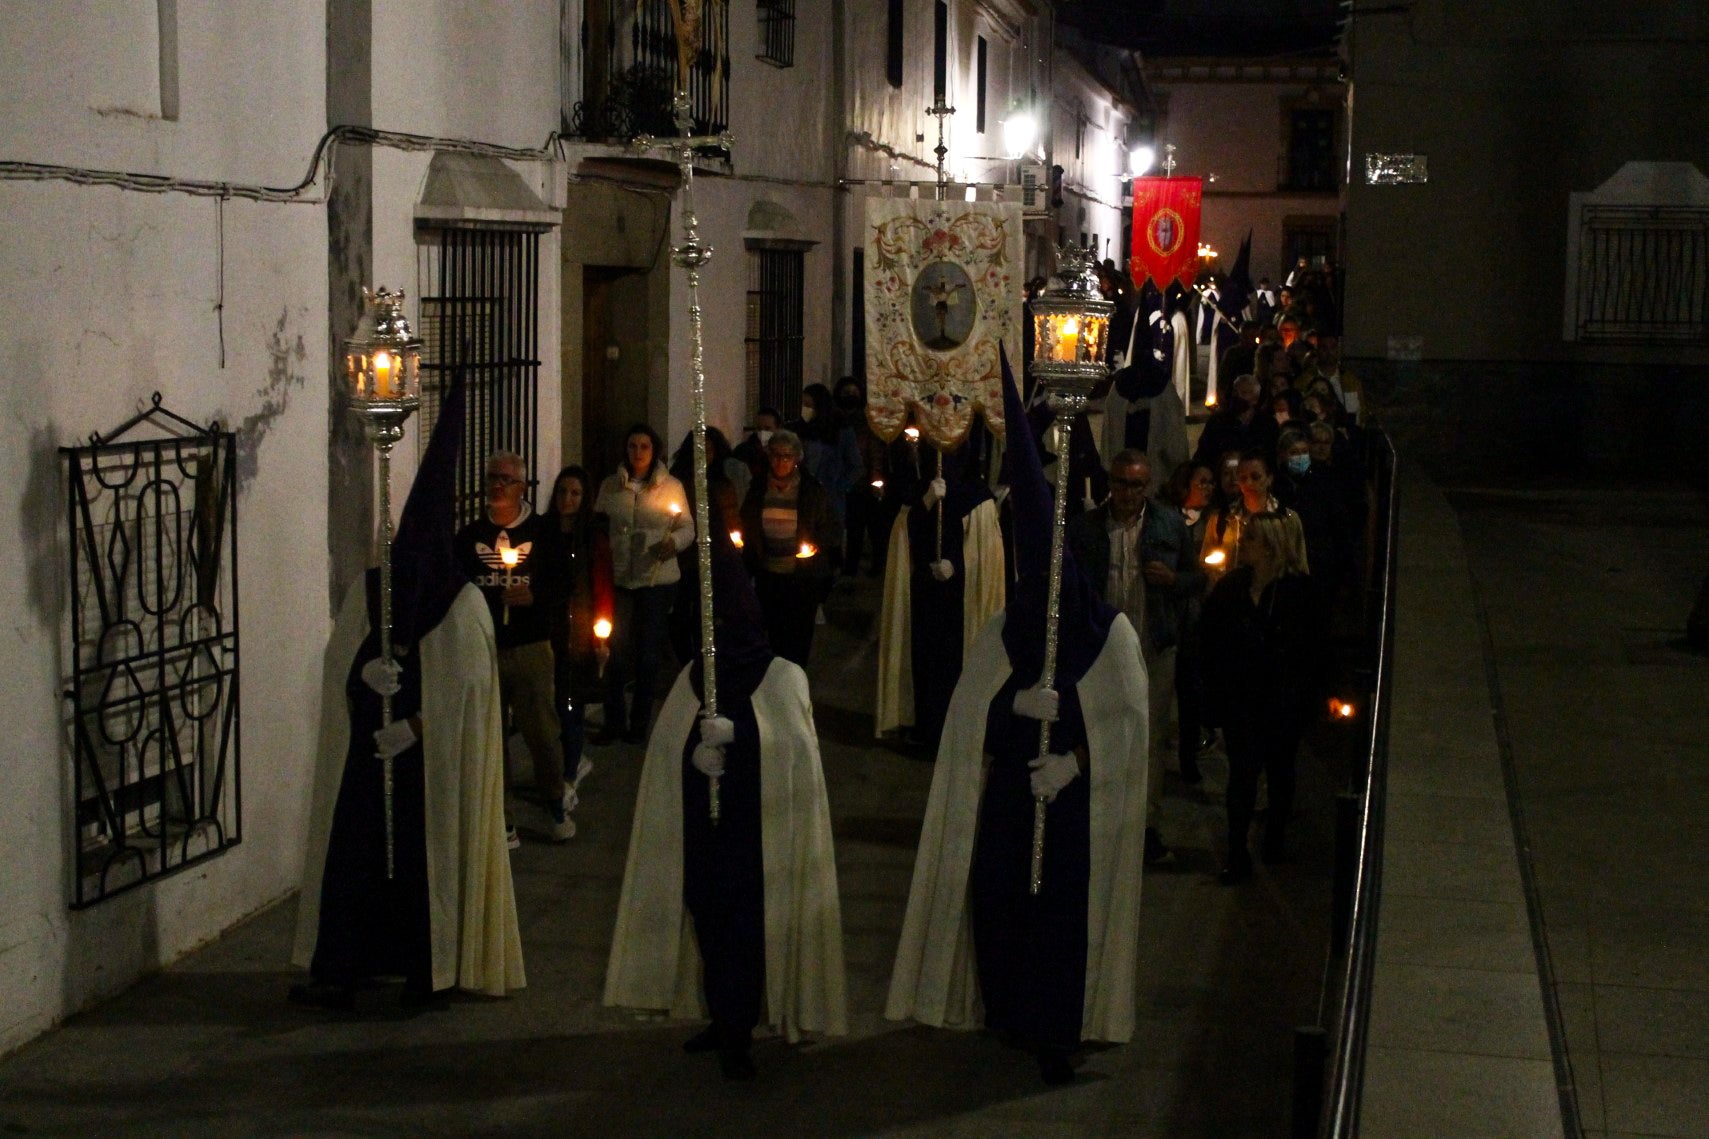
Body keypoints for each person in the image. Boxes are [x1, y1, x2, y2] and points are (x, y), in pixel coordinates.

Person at [887, 348, 1147, 1085]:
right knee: (1002, 905)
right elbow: (971, 722)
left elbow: (1127, 730)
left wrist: (1074, 760)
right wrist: (1010, 708)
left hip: (1072, 813)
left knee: (1062, 924)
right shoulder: (1005, 631)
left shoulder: (1108, 637)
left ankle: (1056, 1031)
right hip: (1008, 801)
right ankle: (1008, 1011)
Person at [292, 376, 525, 1008]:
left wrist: (418, 724)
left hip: (431, 774)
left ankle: (431, 970)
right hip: (370, 764)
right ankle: (346, 961)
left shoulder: (463, 604)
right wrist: (366, 676)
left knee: (428, 869)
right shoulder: (374, 592)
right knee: (357, 861)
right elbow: (342, 664)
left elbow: (473, 699)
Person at [604, 528, 847, 1081]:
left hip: (759, 837)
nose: (714, 635)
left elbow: (797, 757)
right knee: (709, 925)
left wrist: (743, 741)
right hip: (704, 832)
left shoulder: (783, 678)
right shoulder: (694, 679)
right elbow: (667, 753)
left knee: (745, 931)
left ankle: (738, 1031)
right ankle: (722, 1018)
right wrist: (694, 755)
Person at [1068, 449, 1202, 867]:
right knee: (1097, 733)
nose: (1127, 493)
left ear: (1147, 486)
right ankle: (1100, 821)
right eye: (1121, 482)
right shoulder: (1087, 529)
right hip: (1101, 651)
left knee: (1148, 738)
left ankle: (1144, 827)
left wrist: (1173, 579)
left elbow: (1198, 578)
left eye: (1136, 485)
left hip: (1152, 645)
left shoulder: (1168, 524)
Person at [1200, 510, 1327, 883]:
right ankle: (1237, 853)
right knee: (1241, 777)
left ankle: (1274, 838)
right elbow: (1210, 642)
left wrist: (1307, 701)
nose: (1243, 542)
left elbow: (1312, 654)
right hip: (1242, 702)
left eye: (1252, 537)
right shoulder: (1233, 588)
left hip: (1281, 704)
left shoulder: (1300, 592)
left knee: (1280, 772)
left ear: (1273, 547)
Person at [456, 450, 574, 842]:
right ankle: (502, 816)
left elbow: (563, 584)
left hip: (530, 645)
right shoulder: (470, 537)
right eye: (491, 477)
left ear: (521, 487)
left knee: (541, 729)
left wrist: (534, 593)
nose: (496, 485)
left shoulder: (544, 532)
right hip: (485, 645)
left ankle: (555, 801)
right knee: (493, 736)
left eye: (505, 479)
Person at [875, 433, 1006, 749]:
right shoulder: (919, 487)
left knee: (952, 666)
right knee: (925, 663)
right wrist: (926, 501)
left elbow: (988, 556)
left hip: (960, 602)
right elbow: (902, 535)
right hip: (923, 594)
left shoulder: (977, 496)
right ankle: (926, 729)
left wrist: (957, 567)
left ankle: (956, 731)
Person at [594, 424, 693, 744]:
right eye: (633, 446)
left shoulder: (672, 486)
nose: (638, 453)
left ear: (655, 450)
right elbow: (598, 525)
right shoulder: (610, 486)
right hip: (620, 579)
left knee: (648, 656)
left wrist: (674, 542)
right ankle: (614, 722)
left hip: (656, 580)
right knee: (615, 653)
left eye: (644, 447)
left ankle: (639, 725)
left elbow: (687, 526)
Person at [738, 428, 838, 666]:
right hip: (768, 577)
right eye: (775, 455)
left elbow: (828, 530)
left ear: (797, 459)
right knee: (772, 638)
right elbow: (747, 522)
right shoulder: (758, 488)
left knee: (797, 641)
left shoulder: (811, 491)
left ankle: (794, 688)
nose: (780, 461)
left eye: (787, 456)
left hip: (801, 580)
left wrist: (815, 551)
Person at [544, 465, 614, 804]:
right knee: (553, 705)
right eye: (562, 492)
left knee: (570, 705)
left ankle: (570, 771)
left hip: (579, 633)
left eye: (574, 493)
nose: (567, 499)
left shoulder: (592, 536)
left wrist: (602, 638)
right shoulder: (545, 531)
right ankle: (565, 764)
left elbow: (601, 587)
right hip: (549, 631)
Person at [834, 377, 889, 577]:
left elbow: (874, 451)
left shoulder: (866, 421)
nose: (850, 396)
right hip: (844, 483)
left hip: (865, 483)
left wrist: (876, 479)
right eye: (846, 392)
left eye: (854, 392)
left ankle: (877, 566)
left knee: (874, 528)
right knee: (853, 528)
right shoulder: (836, 420)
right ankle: (849, 567)